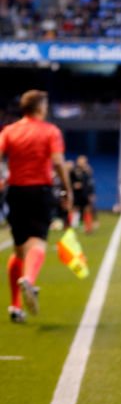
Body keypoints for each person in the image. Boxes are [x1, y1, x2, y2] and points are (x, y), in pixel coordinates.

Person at [0, 91, 72, 323]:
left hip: (15, 192)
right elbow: (58, 161)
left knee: (20, 250)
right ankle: (29, 280)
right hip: (40, 191)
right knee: (38, 242)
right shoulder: (50, 131)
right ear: (40, 107)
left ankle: (14, 306)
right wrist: (67, 189)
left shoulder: (10, 131)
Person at [70, 155, 97, 234]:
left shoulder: (87, 171)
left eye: (84, 161)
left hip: (85, 194)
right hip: (76, 194)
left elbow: (90, 183)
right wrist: (74, 185)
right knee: (75, 209)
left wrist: (92, 193)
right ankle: (73, 226)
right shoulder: (74, 171)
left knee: (87, 209)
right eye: (81, 161)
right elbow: (69, 181)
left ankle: (88, 228)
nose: (83, 162)